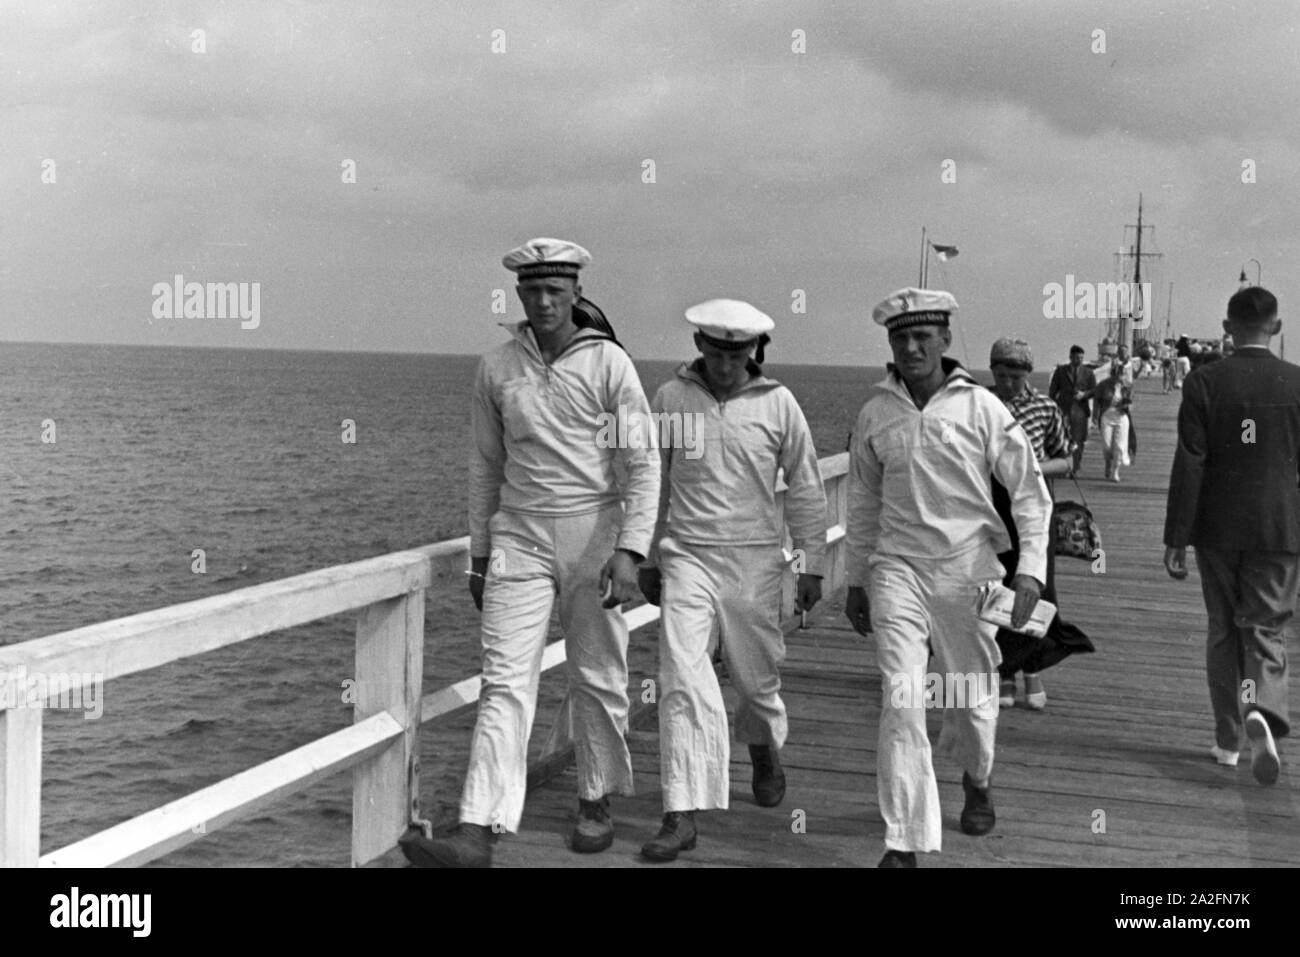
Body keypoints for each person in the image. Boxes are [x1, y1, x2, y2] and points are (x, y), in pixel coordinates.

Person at [401, 238, 660, 867]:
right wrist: (480, 554)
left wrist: (631, 551)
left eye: (555, 290)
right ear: (519, 293)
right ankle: (478, 828)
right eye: (532, 290)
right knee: (505, 681)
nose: (544, 301)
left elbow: (644, 463)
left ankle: (595, 798)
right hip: (518, 534)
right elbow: (484, 468)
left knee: (597, 676)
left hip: (595, 533)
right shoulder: (496, 368)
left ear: (575, 292)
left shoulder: (609, 366)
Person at [843, 288, 1052, 868]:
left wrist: (1030, 570)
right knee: (903, 700)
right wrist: (856, 577)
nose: (910, 347)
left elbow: (1030, 493)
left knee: (972, 695)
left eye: (921, 337)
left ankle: (976, 777)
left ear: (944, 340)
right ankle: (904, 840)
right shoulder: (875, 412)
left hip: (968, 571)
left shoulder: (982, 408)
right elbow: (861, 502)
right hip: (898, 571)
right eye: (899, 337)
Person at [636, 299, 827, 862]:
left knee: (756, 681)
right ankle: (681, 810)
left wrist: (811, 563)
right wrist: (646, 556)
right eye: (716, 350)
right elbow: (652, 481)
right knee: (683, 678)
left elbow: (807, 483)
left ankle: (763, 745)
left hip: (755, 562)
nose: (725, 362)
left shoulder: (779, 404)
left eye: (737, 351)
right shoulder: (670, 399)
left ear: (754, 351)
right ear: (699, 345)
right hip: (688, 556)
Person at [1164, 286, 1300, 786]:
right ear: (1278, 329)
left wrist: (1177, 535)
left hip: (1217, 526)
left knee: (1222, 629)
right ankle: (1260, 706)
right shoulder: (1297, 383)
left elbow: (1191, 462)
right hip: (1280, 526)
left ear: (1226, 328)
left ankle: (1228, 739)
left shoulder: (1203, 382)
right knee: (1263, 627)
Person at [987, 338, 1094, 710]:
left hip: (1033, 508)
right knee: (997, 586)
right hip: (990, 508)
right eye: (1001, 375)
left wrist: (1031, 470)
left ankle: (1033, 669)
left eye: (1015, 377)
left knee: (1038, 588)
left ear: (1028, 375)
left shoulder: (1045, 408)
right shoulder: (980, 404)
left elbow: (1066, 461)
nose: (1007, 384)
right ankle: (1003, 673)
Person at [1048, 345, 1096, 475]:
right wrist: (1052, 407)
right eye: (1076, 357)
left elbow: (1094, 390)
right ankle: (1064, 465)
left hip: (1080, 410)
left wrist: (1084, 394)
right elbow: (1053, 390)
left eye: (1081, 358)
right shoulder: (1061, 371)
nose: (1078, 360)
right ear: (1070, 357)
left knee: (1079, 439)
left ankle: (1075, 466)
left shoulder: (1088, 373)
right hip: (1064, 409)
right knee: (1062, 439)